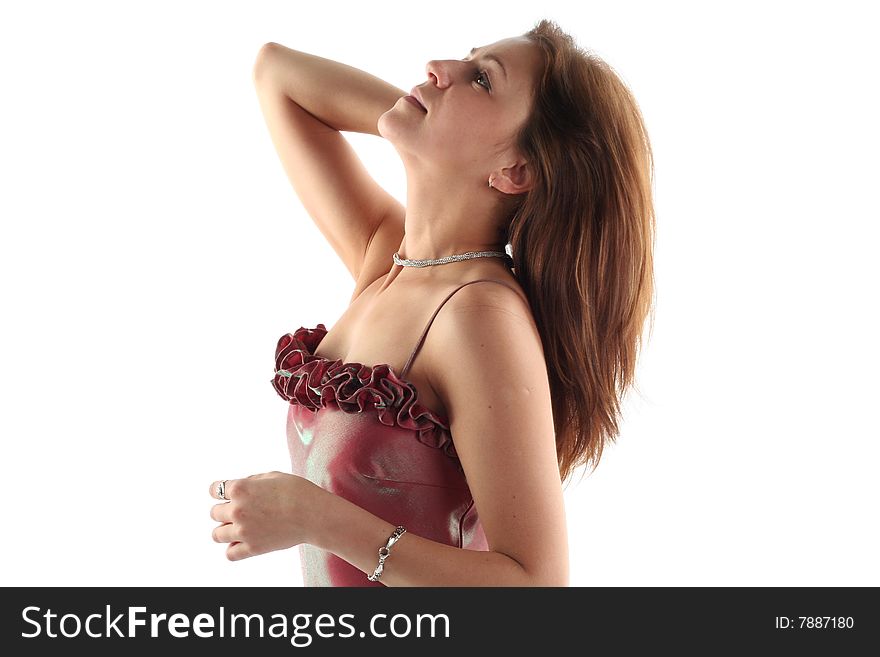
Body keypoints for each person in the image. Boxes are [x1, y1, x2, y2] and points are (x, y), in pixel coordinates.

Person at [208, 18, 655, 587]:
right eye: (465, 60)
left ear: (516, 170)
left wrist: (315, 517)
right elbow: (278, 74)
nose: (438, 69)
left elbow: (537, 586)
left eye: (482, 80)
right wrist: (426, 116)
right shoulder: (386, 258)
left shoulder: (478, 315)